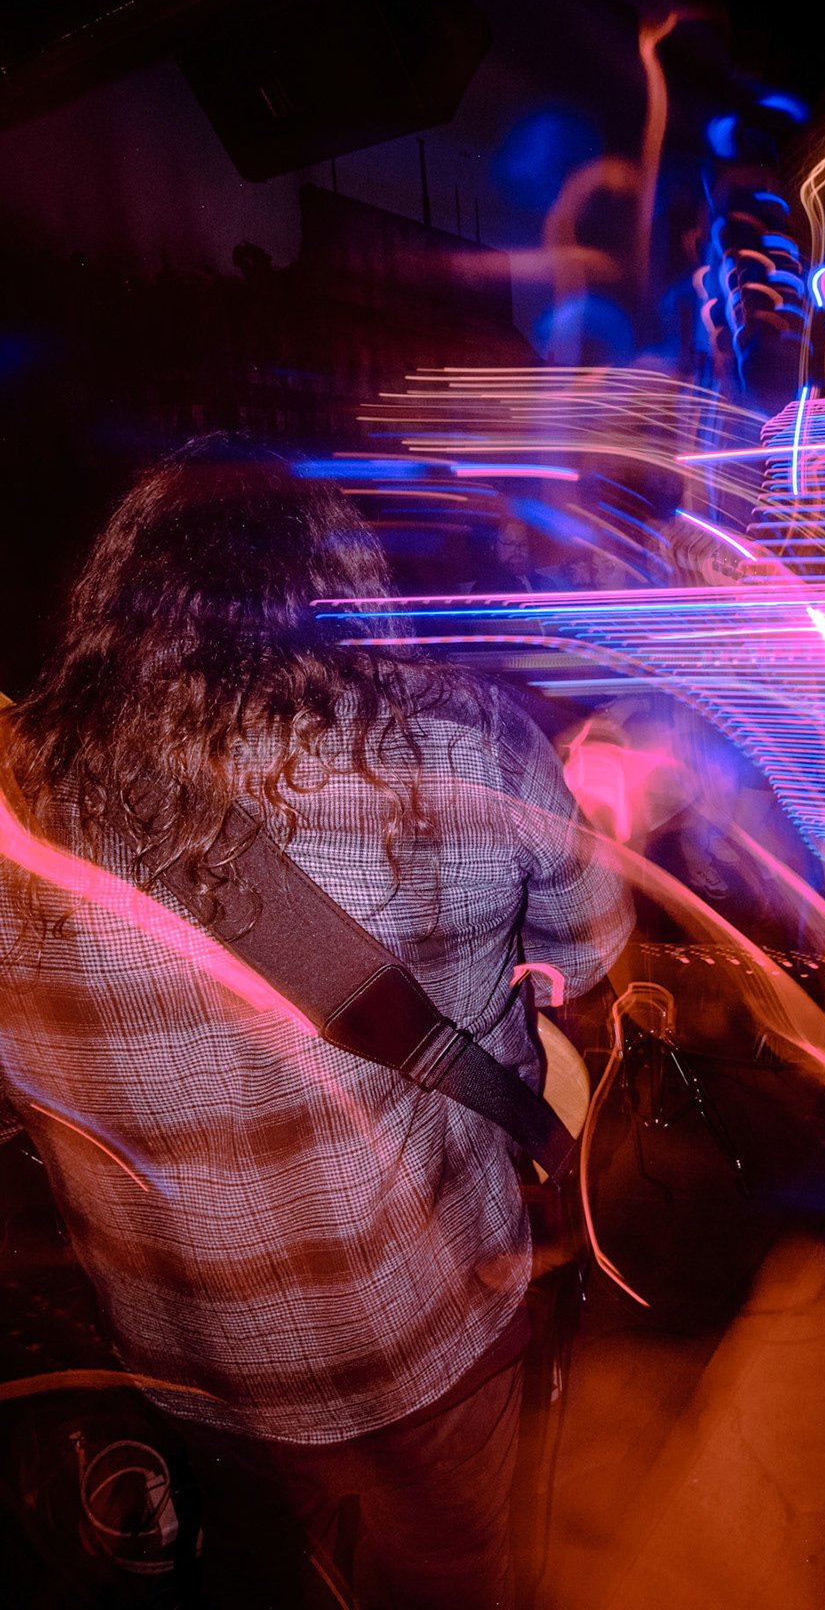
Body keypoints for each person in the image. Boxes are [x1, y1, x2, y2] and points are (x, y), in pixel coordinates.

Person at [0, 435, 632, 1608]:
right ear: (351, 592)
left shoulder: (17, 800)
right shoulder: (468, 748)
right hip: (427, 1328)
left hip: (181, 1353)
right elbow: (587, 950)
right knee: (449, 1577)